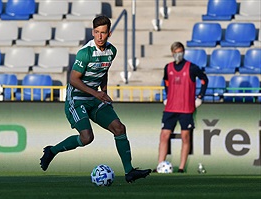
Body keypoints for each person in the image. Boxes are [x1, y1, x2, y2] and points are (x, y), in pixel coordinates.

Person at [40, 15, 151, 183]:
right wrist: (96, 93)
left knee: (119, 128)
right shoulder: (85, 53)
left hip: (94, 98)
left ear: (109, 34)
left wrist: (104, 92)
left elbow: (103, 72)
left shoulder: (111, 51)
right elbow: (73, 80)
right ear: (93, 32)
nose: (100, 36)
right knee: (87, 138)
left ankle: (129, 171)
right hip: (76, 98)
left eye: (103, 33)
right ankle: (52, 151)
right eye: (97, 32)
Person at [157, 42, 208, 173]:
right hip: (170, 108)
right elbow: (166, 82)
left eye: (179, 52)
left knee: (185, 137)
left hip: (186, 108)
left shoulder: (191, 67)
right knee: (164, 135)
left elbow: (204, 80)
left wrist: (200, 96)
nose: (177, 55)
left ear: (183, 52)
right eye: (175, 52)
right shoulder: (168, 67)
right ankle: (160, 165)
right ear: (172, 53)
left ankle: (181, 167)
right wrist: (167, 96)